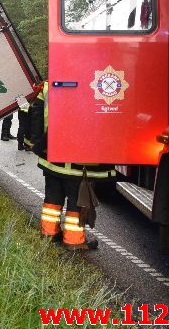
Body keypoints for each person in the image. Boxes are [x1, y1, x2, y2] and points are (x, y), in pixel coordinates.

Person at [30, 83, 116, 251]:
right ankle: (74, 241)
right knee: (77, 204)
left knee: (52, 200)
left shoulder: (48, 86)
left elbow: (36, 114)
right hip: (79, 163)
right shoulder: (91, 83)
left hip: (52, 158)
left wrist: (37, 144)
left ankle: (49, 233)